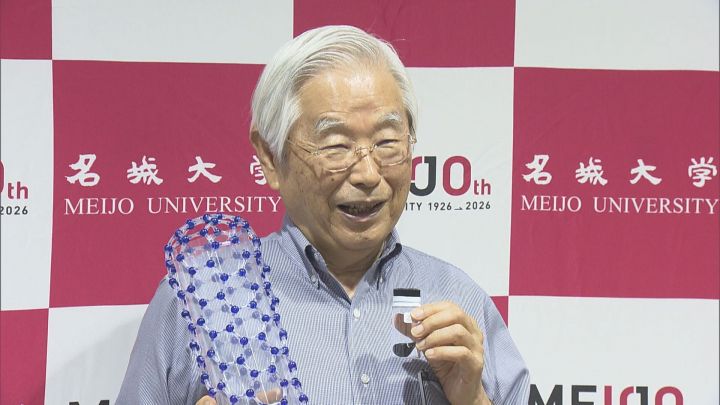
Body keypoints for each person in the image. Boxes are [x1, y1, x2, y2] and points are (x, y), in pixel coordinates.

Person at [118, 25, 530, 405]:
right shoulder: (201, 297)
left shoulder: (459, 298)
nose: (368, 174)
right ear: (270, 158)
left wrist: (474, 400)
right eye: (336, 146)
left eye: (387, 142)